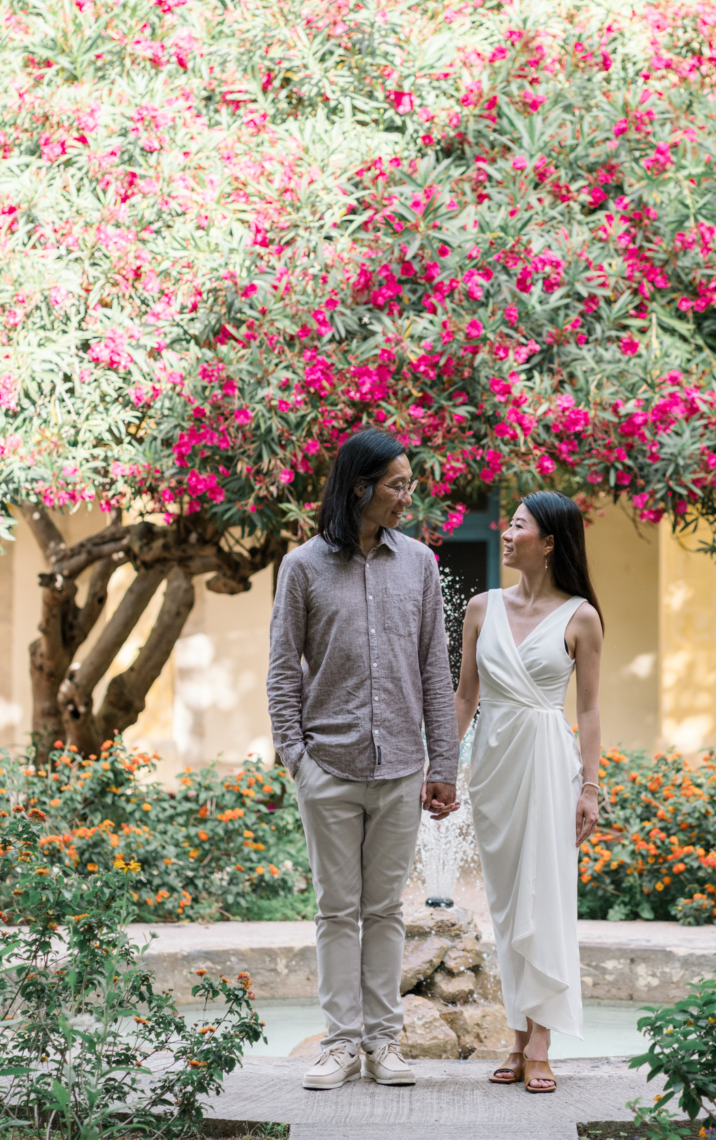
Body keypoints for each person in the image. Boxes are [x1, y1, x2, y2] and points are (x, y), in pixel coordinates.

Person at [267, 428, 460, 1091]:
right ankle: (340, 1046)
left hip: (403, 764)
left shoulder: (421, 566)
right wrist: (297, 758)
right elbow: (282, 673)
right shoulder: (303, 568)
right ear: (361, 488)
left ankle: (384, 1044)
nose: (409, 496)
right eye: (398, 485)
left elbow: (437, 671)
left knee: (384, 912)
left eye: (409, 483)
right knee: (335, 911)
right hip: (329, 765)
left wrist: (443, 766)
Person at [454, 491, 603, 1095]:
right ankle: (517, 1034)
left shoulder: (581, 617)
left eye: (518, 527)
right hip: (493, 766)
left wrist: (590, 787)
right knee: (509, 904)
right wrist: (441, 765)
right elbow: (464, 696)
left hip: (547, 760)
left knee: (544, 895)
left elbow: (589, 710)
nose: (506, 534)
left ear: (549, 543)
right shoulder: (480, 607)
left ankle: (538, 1042)